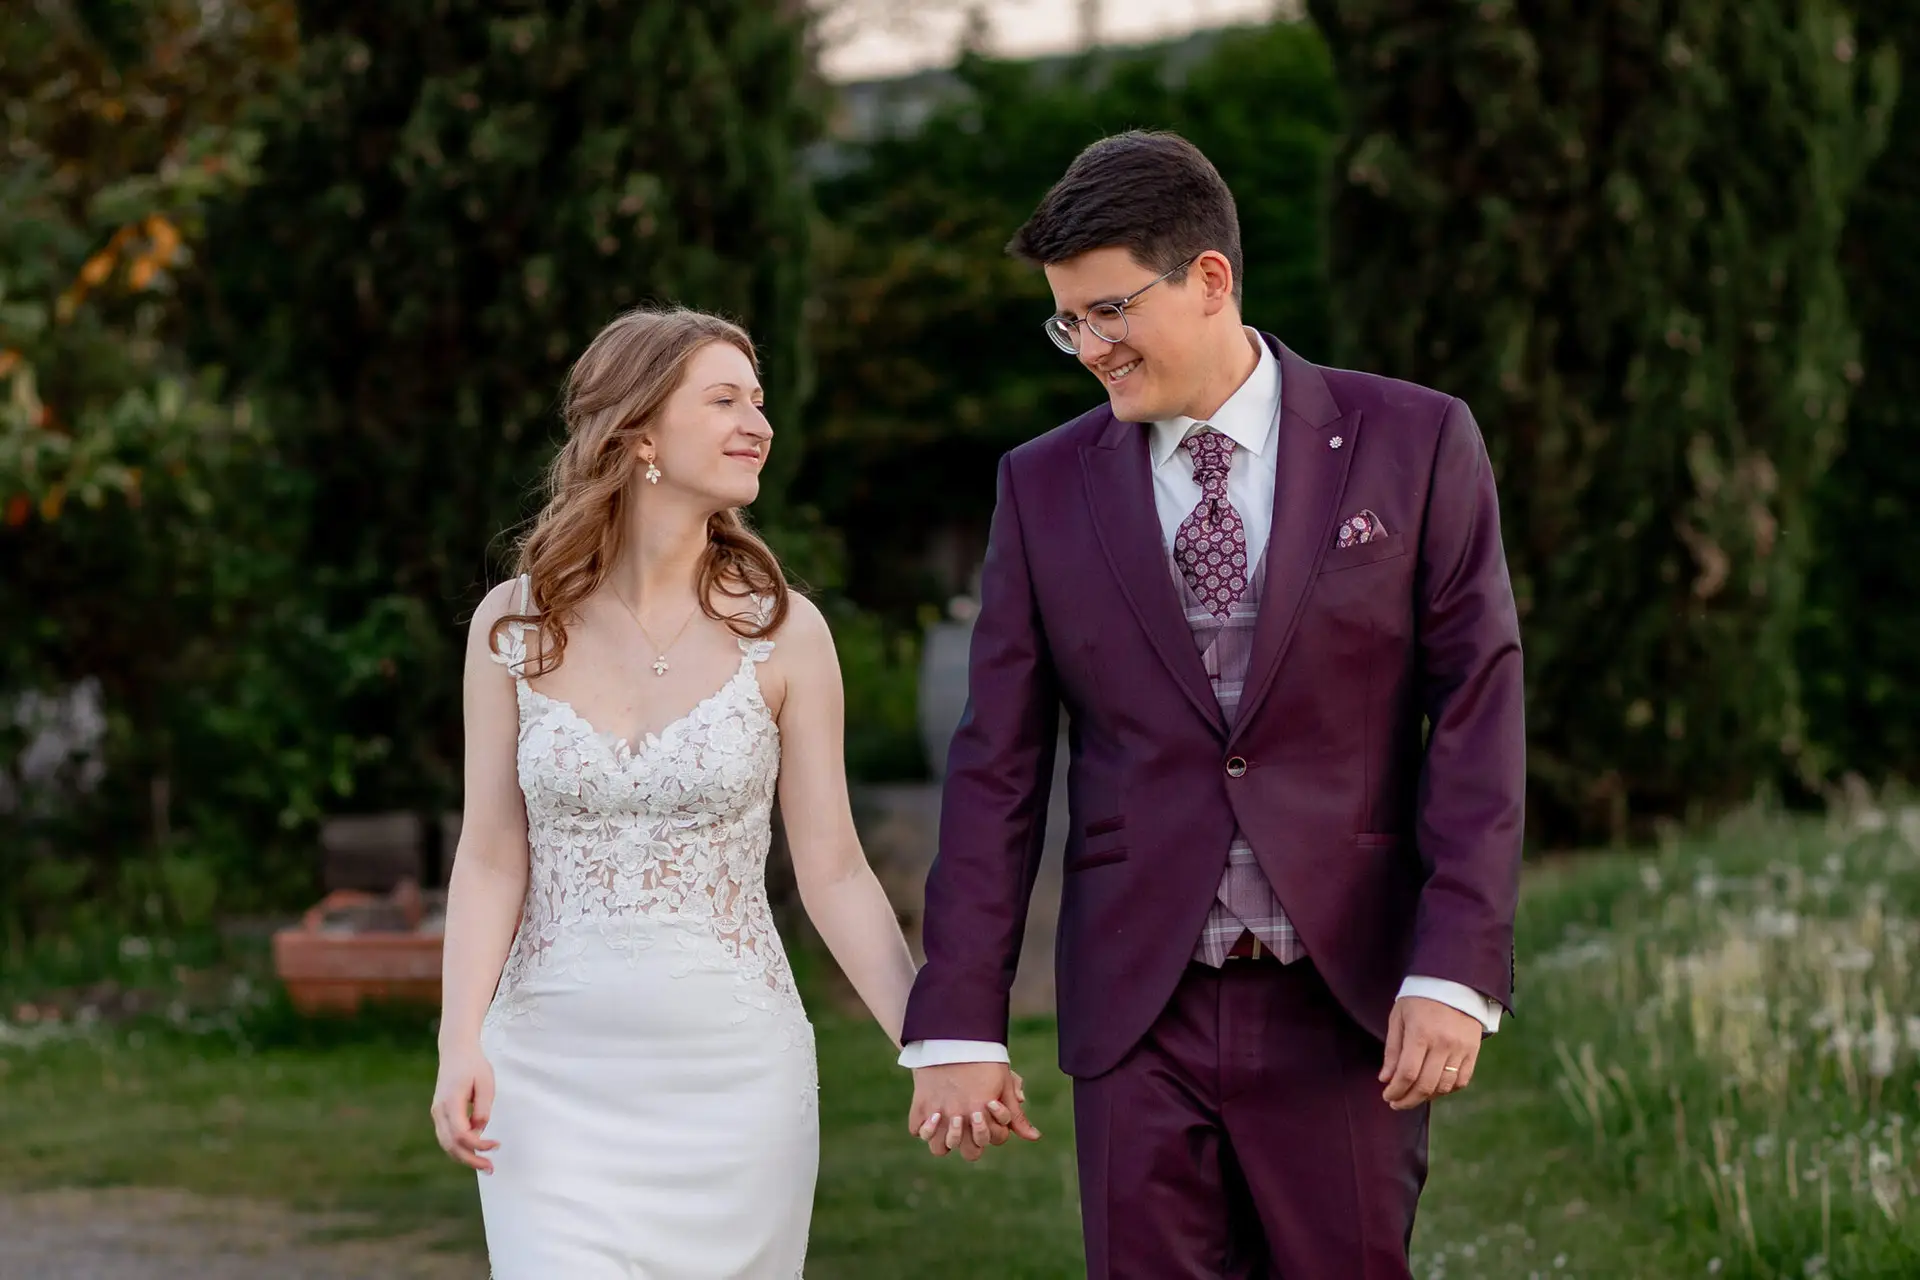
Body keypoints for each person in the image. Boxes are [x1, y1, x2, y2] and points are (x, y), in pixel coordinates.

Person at [900, 131, 1526, 1278]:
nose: (1088, 347)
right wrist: (958, 1019)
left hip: (1346, 993)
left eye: (1108, 311)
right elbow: (998, 765)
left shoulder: (1416, 440)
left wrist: (1455, 965)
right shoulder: (1041, 485)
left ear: (1210, 278)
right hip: (1139, 1004)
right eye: (1067, 320)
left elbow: (1479, 715)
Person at [429, 306, 920, 1278]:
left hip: (736, 1084)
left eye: (761, 401)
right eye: (726, 398)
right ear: (639, 432)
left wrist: (930, 1040)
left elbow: (833, 868)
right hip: (547, 1078)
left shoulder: (787, 632)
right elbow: (489, 853)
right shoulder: (513, 626)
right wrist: (458, 1043)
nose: (760, 423)